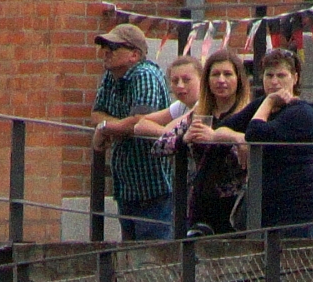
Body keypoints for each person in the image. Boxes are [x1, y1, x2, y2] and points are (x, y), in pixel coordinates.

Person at [92, 23, 174, 242]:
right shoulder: (111, 75)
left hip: (154, 189)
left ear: (134, 55)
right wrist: (113, 125)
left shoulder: (145, 74)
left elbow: (140, 121)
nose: (106, 52)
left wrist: (107, 128)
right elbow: (97, 114)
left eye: (113, 47)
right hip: (127, 189)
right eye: (104, 47)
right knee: (128, 255)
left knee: (153, 256)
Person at [241, 48, 313, 236]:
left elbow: (254, 133)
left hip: (297, 209)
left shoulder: (301, 112)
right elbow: (224, 125)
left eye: (281, 75)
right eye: (269, 75)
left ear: (295, 78)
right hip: (268, 206)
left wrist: (269, 101)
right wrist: (233, 138)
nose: (274, 82)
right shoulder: (262, 106)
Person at [183, 49, 254, 235]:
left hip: (235, 205)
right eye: (215, 74)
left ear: (239, 79)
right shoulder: (198, 114)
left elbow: (249, 157)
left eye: (228, 74)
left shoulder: (250, 115)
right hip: (201, 202)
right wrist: (183, 138)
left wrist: (224, 137)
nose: (221, 80)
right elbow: (161, 145)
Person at [101, 55, 204, 146]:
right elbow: (140, 124)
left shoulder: (203, 105)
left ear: (202, 80)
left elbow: (171, 129)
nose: (180, 86)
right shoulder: (181, 105)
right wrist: (166, 133)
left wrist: (166, 135)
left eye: (186, 80)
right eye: (175, 81)